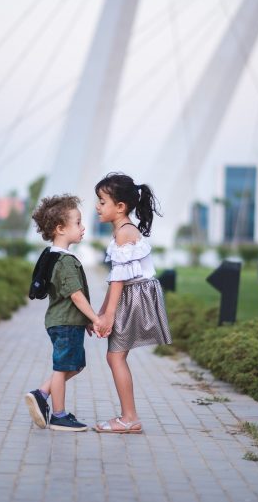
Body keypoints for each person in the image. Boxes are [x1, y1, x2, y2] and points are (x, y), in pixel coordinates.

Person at [92, 173, 172, 434]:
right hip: (132, 294)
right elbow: (117, 277)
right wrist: (102, 312)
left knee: (115, 356)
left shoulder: (125, 233)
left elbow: (120, 281)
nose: (97, 206)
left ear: (120, 207)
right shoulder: (123, 231)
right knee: (115, 356)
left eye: (102, 201)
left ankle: (130, 418)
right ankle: (129, 416)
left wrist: (108, 315)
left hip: (136, 296)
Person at [24, 194, 106, 431]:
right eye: (78, 223)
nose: (83, 228)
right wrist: (95, 318)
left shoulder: (53, 256)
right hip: (66, 323)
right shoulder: (65, 261)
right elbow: (76, 295)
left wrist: (86, 322)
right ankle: (58, 415)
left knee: (74, 365)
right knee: (62, 368)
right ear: (60, 228)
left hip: (64, 322)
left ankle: (41, 394)